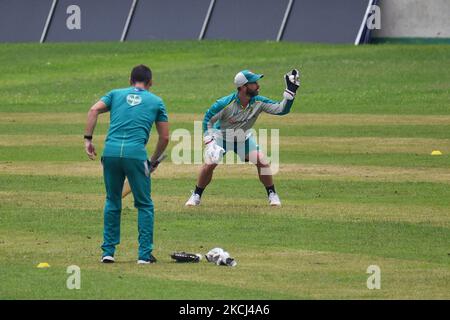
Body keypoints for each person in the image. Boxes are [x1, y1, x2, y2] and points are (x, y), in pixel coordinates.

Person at [84, 64, 169, 264]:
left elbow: (93, 110)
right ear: (151, 82)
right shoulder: (156, 101)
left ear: (130, 80)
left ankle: (108, 252)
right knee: (144, 204)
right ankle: (143, 255)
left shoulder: (115, 94)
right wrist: (153, 160)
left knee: (113, 200)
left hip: (111, 152)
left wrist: (88, 139)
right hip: (135, 155)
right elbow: (164, 137)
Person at [185, 69, 300, 207]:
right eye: (254, 83)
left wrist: (290, 94)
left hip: (242, 138)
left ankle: (272, 194)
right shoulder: (225, 103)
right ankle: (196, 195)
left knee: (262, 161)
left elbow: (281, 110)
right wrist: (209, 142)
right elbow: (207, 120)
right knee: (210, 163)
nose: (258, 86)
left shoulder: (259, 102)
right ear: (243, 87)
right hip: (222, 136)